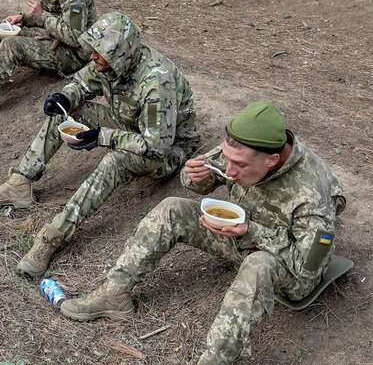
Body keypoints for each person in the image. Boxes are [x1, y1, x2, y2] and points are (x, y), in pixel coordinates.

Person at [58, 101, 345, 364]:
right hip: (241, 234)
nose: (230, 171)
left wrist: (251, 231)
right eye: (228, 161)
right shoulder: (243, 147)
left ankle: (218, 358)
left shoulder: (312, 194)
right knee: (173, 208)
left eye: (239, 166)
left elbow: (305, 271)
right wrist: (195, 176)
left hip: (288, 269)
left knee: (258, 264)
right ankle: (115, 292)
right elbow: (195, 180)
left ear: (271, 160)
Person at [0, 12, 200, 278]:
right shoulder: (111, 61)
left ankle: (52, 237)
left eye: (98, 53)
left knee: (115, 160)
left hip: (169, 150)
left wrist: (101, 136)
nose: (92, 57)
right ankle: (21, 182)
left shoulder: (155, 82)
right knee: (64, 112)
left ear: (119, 55)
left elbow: (156, 146)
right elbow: (82, 83)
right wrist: (65, 98)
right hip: (133, 125)